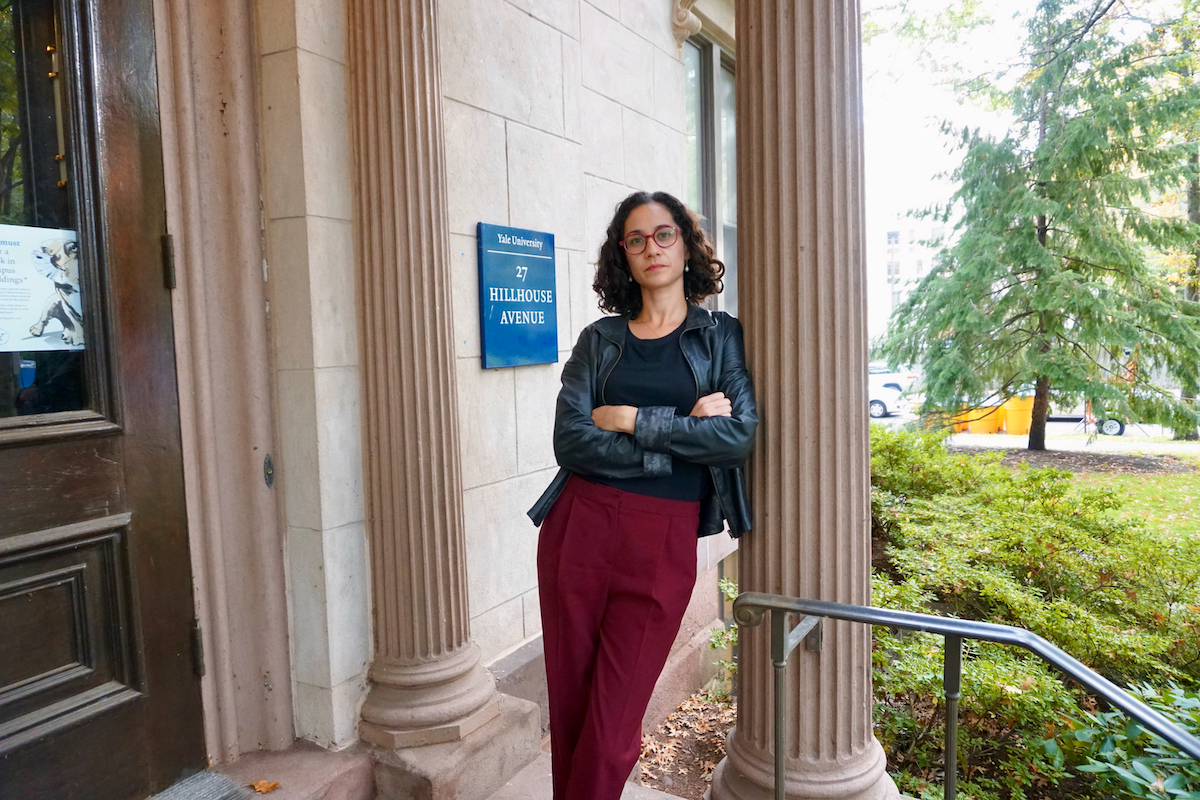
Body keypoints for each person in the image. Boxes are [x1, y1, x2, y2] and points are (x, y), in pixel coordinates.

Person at [527, 190, 758, 800]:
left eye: (663, 234)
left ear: (686, 245)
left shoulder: (720, 336)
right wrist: (685, 429)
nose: (650, 248)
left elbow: (735, 436)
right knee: (573, 709)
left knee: (613, 723)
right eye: (635, 239)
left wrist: (631, 417)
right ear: (622, 256)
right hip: (578, 526)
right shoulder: (599, 341)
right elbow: (571, 442)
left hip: (663, 537)